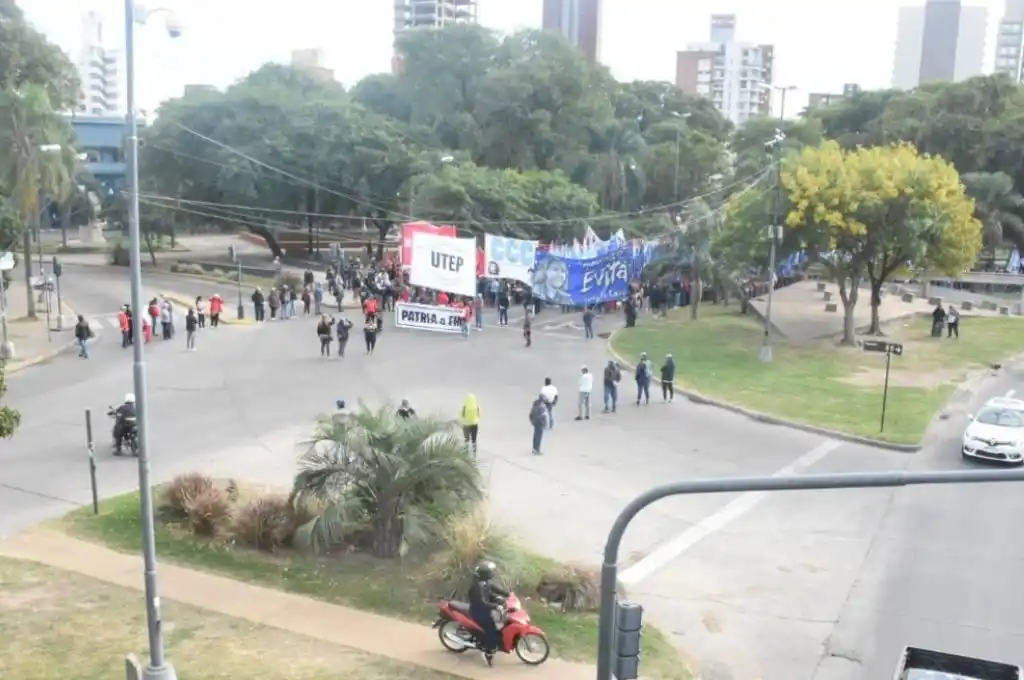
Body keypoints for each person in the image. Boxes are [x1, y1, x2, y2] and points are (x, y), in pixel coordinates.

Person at [467, 561, 509, 664]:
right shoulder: (477, 587)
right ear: (485, 574)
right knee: (492, 631)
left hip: (485, 609)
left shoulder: (484, 582)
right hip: (479, 612)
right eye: (490, 572)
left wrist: (508, 594)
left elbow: (493, 589)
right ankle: (488, 652)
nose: (492, 573)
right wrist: (496, 606)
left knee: (498, 624)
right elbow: (482, 602)